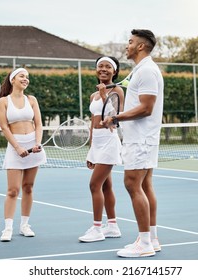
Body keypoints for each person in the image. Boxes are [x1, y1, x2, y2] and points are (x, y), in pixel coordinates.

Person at [102, 29, 164, 258]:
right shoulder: (143, 70)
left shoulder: (147, 70)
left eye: (130, 42)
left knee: (132, 184)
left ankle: (145, 243)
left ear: (140, 46)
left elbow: (146, 108)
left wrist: (116, 117)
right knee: (145, 185)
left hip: (141, 139)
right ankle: (151, 238)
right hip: (141, 138)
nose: (126, 46)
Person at [0, 68, 47, 242]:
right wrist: (17, 147)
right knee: (13, 190)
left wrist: (37, 143)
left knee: (28, 187)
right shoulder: (3, 101)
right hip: (14, 147)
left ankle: (25, 225)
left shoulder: (31, 100)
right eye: (22, 76)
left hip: (33, 144)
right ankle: (8, 228)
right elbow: (4, 127)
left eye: (27, 77)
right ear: (13, 80)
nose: (26, 79)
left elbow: (38, 124)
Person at [79, 56, 125, 242]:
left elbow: (116, 118)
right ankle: (112, 226)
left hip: (109, 140)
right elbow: (93, 123)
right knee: (106, 185)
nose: (103, 69)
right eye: (100, 66)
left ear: (114, 72)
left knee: (94, 185)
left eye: (108, 67)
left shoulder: (118, 90)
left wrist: (105, 95)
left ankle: (97, 229)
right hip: (97, 143)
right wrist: (91, 150)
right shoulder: (93, 95)